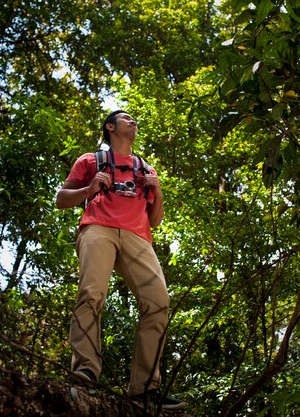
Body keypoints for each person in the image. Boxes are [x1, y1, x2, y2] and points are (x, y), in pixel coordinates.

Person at [55, 110, 186, 410]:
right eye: (126, 118)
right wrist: (89, 189)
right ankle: (85, 370)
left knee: (158, 301)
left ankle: (144, 388)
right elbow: (61, 199)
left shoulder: (145, 168)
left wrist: (159, 193)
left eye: (134, 118)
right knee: (91, 294)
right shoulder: (90, 160)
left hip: (138, 237)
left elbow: (155, 221)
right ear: (110, 126)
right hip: (97, 229)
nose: (134, 121)